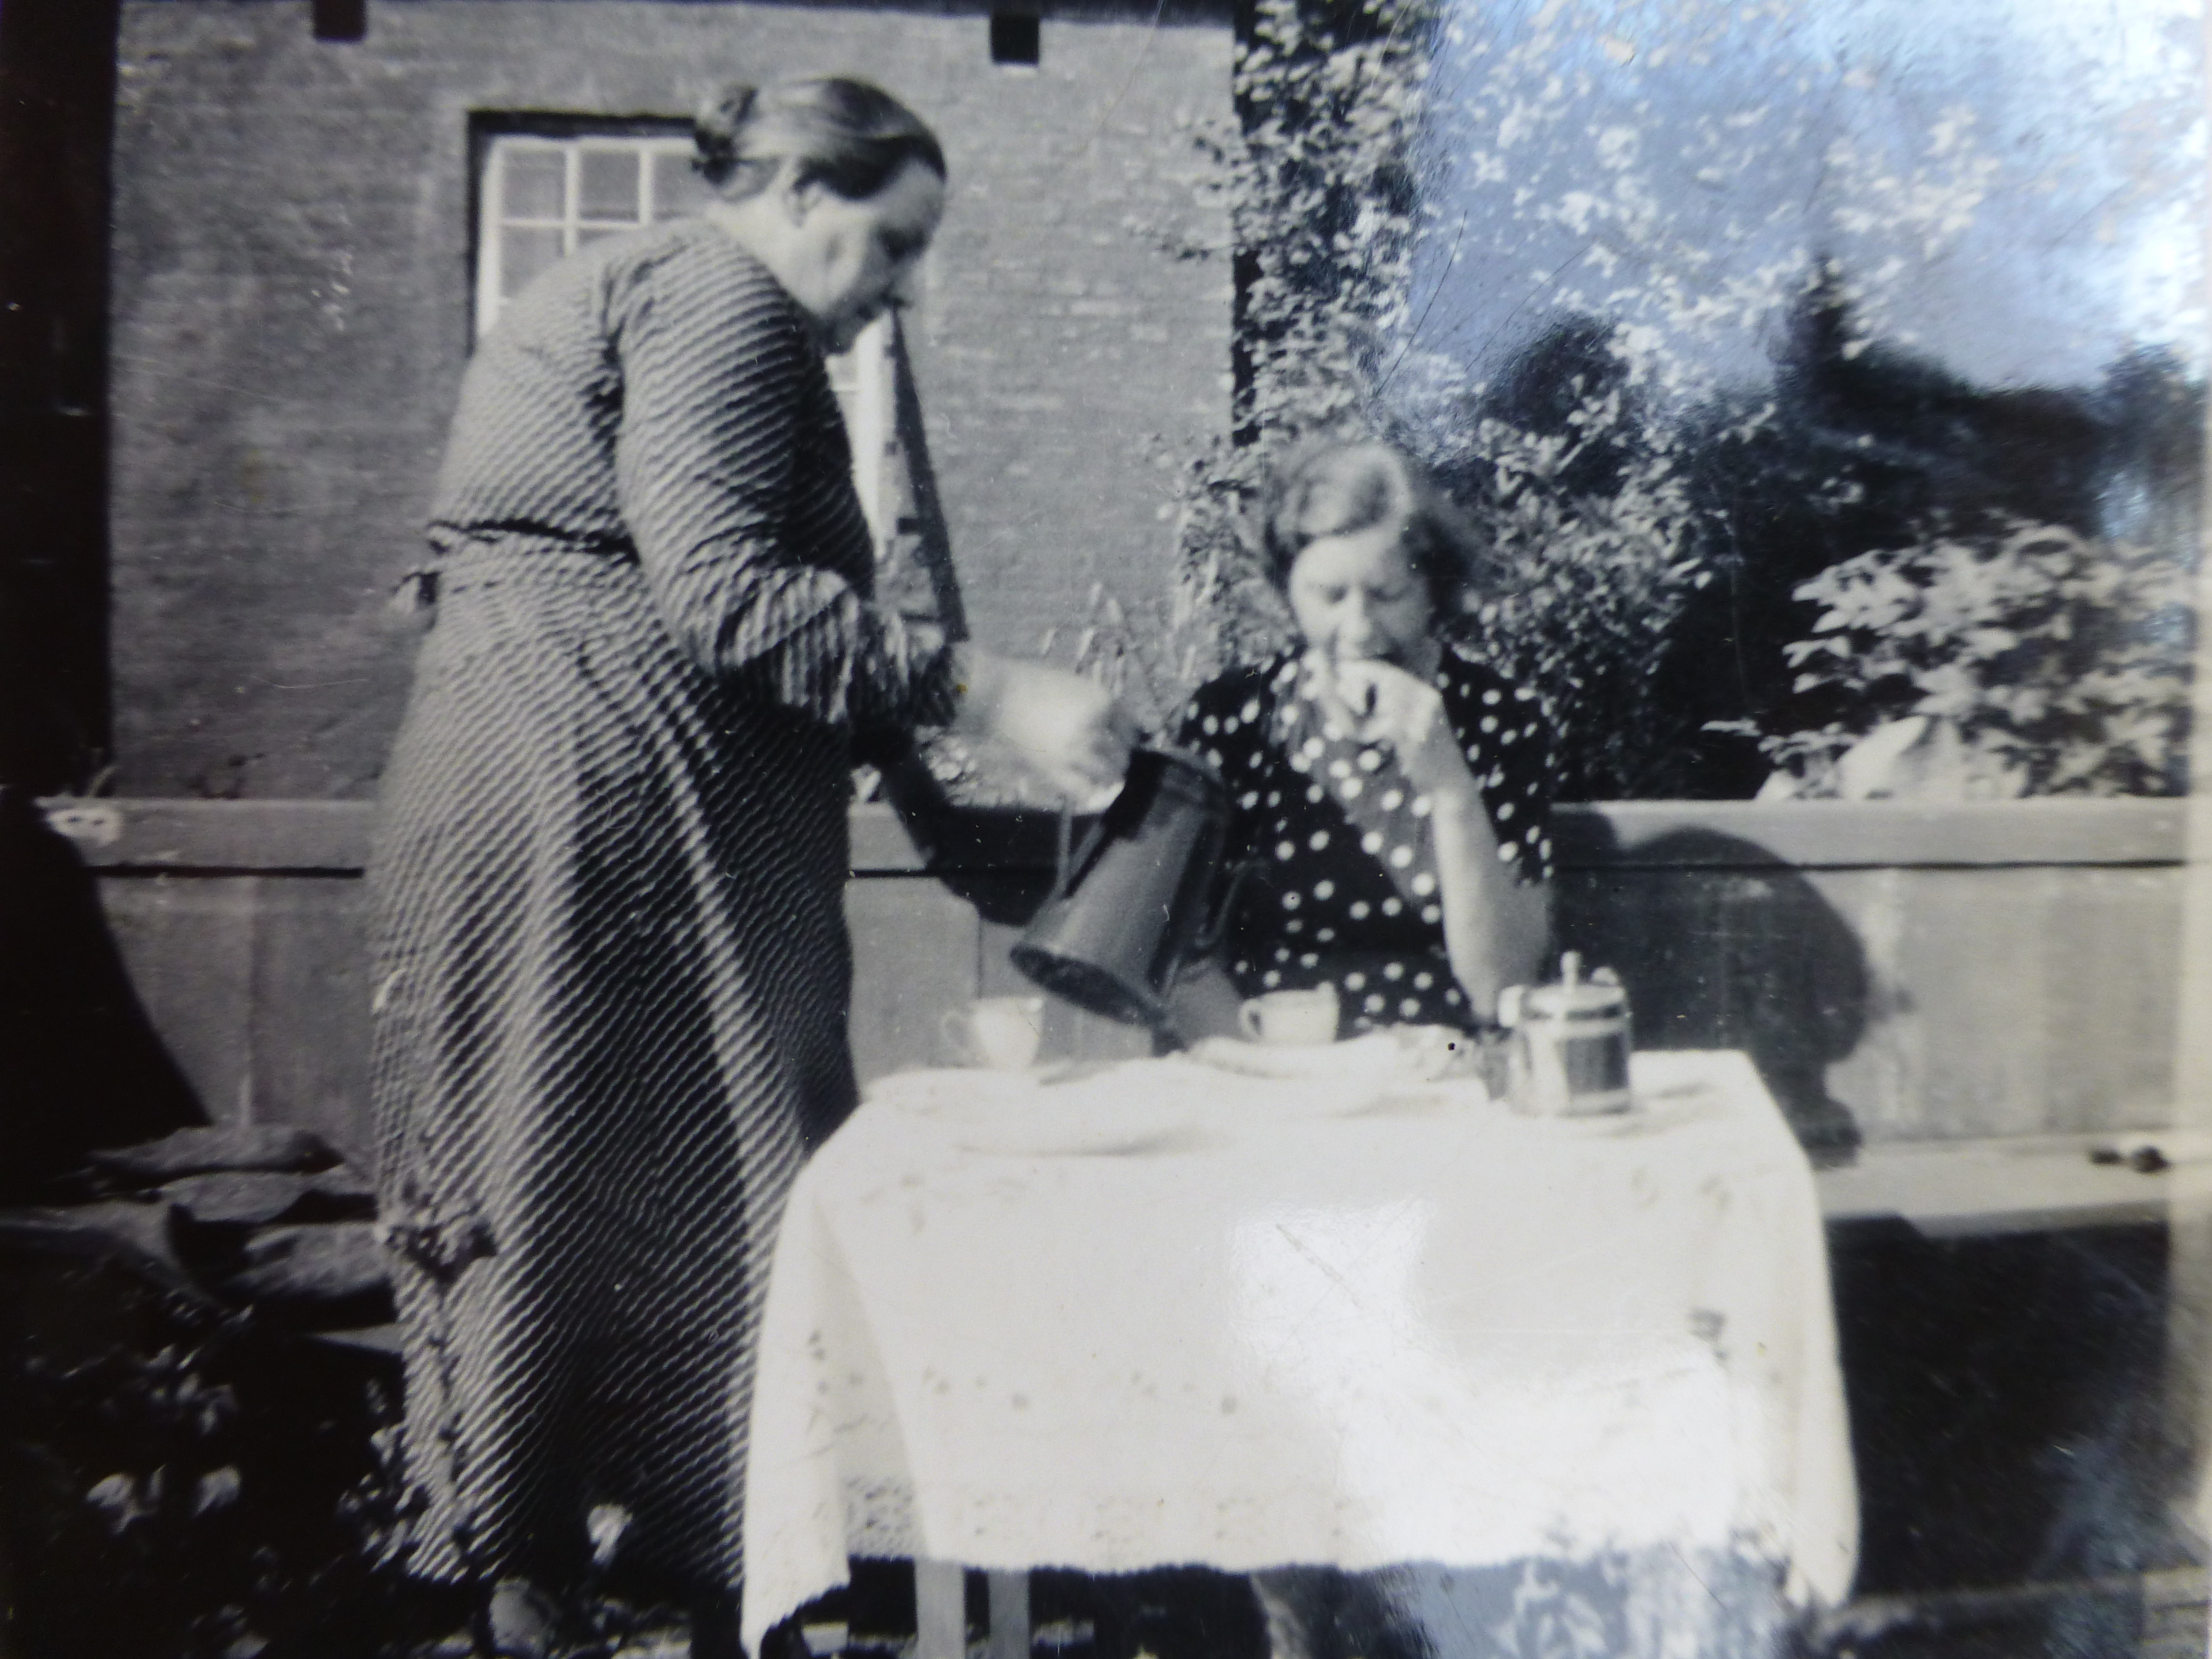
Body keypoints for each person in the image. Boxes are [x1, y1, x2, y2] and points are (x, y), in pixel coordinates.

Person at [366, 77, 1132, 1657]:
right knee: (602, 1170)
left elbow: (768, 616)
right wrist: (992, 693)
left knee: (625, 1178)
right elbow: (723, 592)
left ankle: (659, 1572)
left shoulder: (703, 308)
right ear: (797, 196)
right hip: (594, 789)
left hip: (622, 798)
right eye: (890, 243)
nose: (899, 289)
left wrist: (952, 815)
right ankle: (596, 1583)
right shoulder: (721, 298)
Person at [1167, 438, 1555, 1046]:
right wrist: (1274, 1076)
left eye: (1387, 595)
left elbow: (1502, 989)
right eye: (1328, 596)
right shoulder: (1238, 717)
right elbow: (1180, 958)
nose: (1358, 629)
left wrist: (1449, 786)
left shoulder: (1501, 719)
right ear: (1287, 589)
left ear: (1433, 591)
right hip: (1273, 1065)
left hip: (1439, 1067)